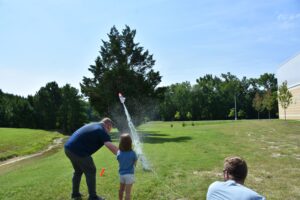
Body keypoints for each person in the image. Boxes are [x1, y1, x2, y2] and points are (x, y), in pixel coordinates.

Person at [64, 118, 118, 200]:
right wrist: (123, 155)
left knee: (78, 171)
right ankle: (93, 197)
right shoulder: (101, 130)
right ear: (108, 125)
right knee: (91, 170)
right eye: (110, 128)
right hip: (78, 151)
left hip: (68, 148)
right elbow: (109, 145)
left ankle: (75, 194)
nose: (109, 131)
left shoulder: (93, 124)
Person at [117, 133, 138, 200]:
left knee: (121, 190)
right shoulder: (133, 153)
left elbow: (119, 161)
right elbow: (135, 163)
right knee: (128, 193)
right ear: (130, 143)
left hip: (121, 174)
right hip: (129, 175)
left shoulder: (119, 153)